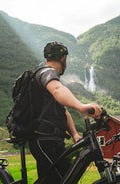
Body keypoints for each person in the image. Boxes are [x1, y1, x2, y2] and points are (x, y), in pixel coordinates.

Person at [28, 41, 102, 184]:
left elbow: (63, 111)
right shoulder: (47, 73)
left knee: (67, 176)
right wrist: (81, 106)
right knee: (58, 179)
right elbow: (57, 90)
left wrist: (74, 134)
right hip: (44, 140)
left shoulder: (49, 77)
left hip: (53, 140)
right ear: (63, 58)